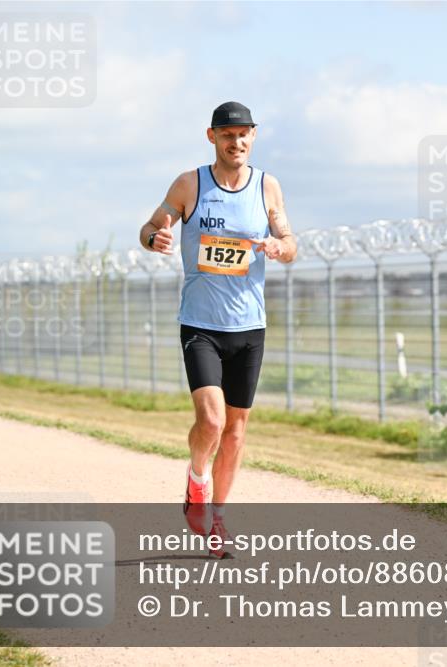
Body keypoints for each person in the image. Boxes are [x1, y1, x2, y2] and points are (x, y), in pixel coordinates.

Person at [138, 101, 296, 558]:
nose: (237, 142)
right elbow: (149, 226)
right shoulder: (191, 183)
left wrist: (278, 247)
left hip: (250, 326)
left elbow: (291, 243)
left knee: (237, 432)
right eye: (228, 135)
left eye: (245, 134)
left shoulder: (268, 187)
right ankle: (196, 479)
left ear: (254, 136)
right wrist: (156, 238)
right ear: (212, 137)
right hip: (201, 324)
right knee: (211, 419)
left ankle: (217, 520)